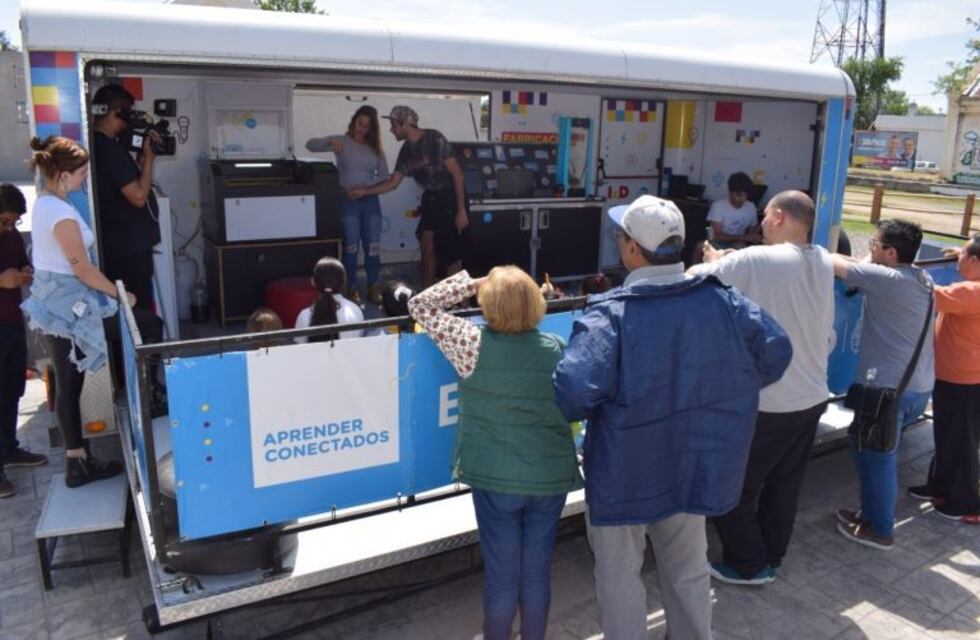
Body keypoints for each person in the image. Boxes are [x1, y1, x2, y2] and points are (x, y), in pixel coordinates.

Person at [553, 195, 792, 640]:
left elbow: (572, 392)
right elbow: (776, 351)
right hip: (694, 462)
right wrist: (725, 392)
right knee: (687, 568)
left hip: (623, 472)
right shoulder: (723, 300)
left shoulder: (611, 313)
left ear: (630, 248)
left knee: (619, 577)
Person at [408, 266, 582, 640]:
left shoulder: (470, 342)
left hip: (496, 479)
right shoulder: (555, 348)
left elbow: (420, 306)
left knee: (503, 574)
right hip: (550, 478)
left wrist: (472, 283)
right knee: (536, 571)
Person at [690, 190, 835, 585]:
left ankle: (749, 564)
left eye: (765, 216)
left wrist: (715, 260)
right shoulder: (821, 258)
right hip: (813, 396)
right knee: (783, 487)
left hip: (771, 403)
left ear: (777, 217)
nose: (760, 224)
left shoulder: (757, 259)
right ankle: (772, 554)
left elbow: (692, 281)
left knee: (729, 489)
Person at [20, 137, 133, 488]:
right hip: (67, 307)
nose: (85, 178)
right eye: (82, 172)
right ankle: (77, 463)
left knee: (69, 382)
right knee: (71, 383)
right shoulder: (60, 213)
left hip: (60, 303)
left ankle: (77, 459)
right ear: (64, 174)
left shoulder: (48, 204)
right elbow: (82, 269)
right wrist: (120, 294)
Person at [832, 219, 935, 549]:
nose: (868, 249)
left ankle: (880, 529)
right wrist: (869, 258)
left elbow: (830, 260)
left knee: (878, 458)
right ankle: (870, 515)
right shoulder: (921, 277)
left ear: (891, 253)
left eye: (874, 244)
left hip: (888, 392)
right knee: (864, 446)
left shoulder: (886, 280)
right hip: (915, 387)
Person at [347, 106, 468, 288]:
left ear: (405, 124)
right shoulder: (406, 151)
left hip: (450, 197)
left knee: (449, 253)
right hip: (431, 197)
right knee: (426, 244)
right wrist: (364, 191)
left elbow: (458, 174)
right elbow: (394, 182)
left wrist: (461, 211)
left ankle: (464, 304)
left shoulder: (435, 138)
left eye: (393, 125)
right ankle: (425, 294)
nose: (391, 129)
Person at [908, 234, 980, 524]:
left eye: (961, 256)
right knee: (948, 437)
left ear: (974, 261)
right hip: (957, 377)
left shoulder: (970, 292)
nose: (956, 260)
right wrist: (962, 252)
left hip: (964, 381)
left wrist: (904, 269)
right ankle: (940, 486)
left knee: (961, 441)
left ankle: (966, 502)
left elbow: (926, 294)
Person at [306, 106, 390, 304]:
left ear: (372, 129)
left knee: (373, 247)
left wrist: (365, 186)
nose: (362, 129)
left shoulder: (375, 148)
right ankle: (351, 287)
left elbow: (385, 176)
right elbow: (310, 145)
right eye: (360, 123)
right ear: (353, 122)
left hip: (370, 201)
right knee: (351, 247)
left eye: (367, 126)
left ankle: (373, 286)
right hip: (347, 200)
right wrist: (329, 142)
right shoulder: (341, 141)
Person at [91, 84, 161, 313]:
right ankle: (146, 349)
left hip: (121, 246)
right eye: (128, 114)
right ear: (116, 113)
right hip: (127, 252)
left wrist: (141, 164)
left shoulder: (103, 145)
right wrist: (149, 161)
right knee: (138, 310)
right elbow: (138, 197)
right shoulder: (108, 148)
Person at [0, 184, 48, 498]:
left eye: (14, 222)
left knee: (11, 390)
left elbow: (16, 265)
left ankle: (9, 448)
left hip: (12, 323)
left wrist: (24, 272)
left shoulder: (12, 237)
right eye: (4, 221)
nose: (9, 227)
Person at [294, 257, 365, 343]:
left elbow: (299, 348)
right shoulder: (355, 311)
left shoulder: (304, 316)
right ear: (344, 283)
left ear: (313, 281)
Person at [706, 171, 761, 248]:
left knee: (738, 246)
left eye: (745, 195)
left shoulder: (751, 207)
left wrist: (763, 222)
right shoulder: (718, 206)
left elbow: (752, 234)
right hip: (719, 242)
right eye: (739, 195)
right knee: (700, 247)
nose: (743, 199)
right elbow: (715, 235)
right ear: (730, 192)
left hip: (739, 243)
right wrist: (743, 237)